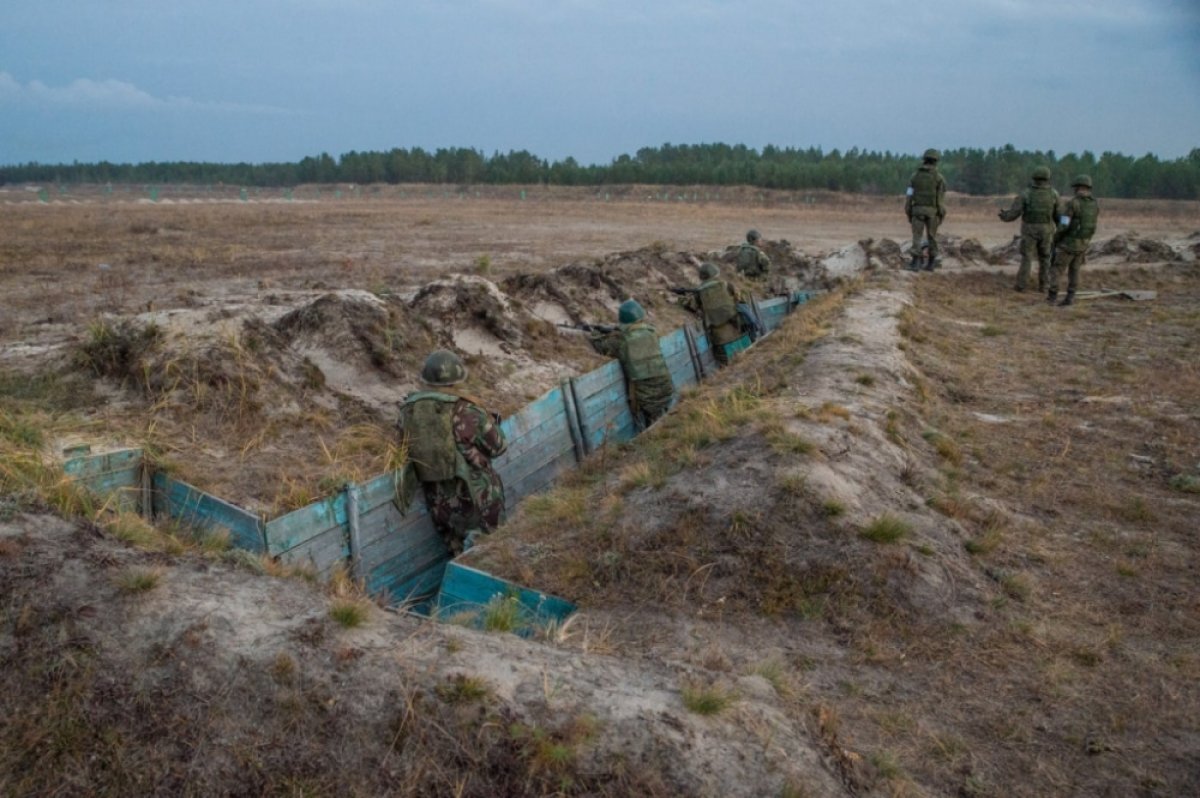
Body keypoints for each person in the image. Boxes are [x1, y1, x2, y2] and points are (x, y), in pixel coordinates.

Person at [396, 349, 507, 555]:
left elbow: (403, 448)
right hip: (478, 499)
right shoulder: (465, 409)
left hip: (439, 504)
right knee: (494, 556)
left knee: (459, 558)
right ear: (457, 379)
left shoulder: (407, 411)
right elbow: (498, 446)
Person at [590, 299, 675, 429]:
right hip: (666, 386)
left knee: (652, 424)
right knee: (663, 419)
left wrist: (596, 332)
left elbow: (601, 346)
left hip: (646, 396)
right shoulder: (652, 332)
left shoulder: (623, 340)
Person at [999, 166, 1059, 292]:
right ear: (1047, 178)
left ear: (1034, 178)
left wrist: (1004, 216)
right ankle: (1044, 286)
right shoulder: (1054, 194)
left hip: (1029, 230)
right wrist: (1066, 225)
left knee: (1027, 258)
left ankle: (1021, 286)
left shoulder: (1025, 194)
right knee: (1045, 258)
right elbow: (1059, 215)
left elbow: (1014, 213)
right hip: (1047, 230)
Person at [681, 262, 750, 366]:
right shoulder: (726, 285)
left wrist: (681, 298)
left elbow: (690, 305)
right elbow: (742, 299)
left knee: (725, 366)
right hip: (738, 328)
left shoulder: (699, 292)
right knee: (747, 359)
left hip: (719, 337)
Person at [1047, 175, 1100, 307]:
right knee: (1074, 271)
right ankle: (1070, 297)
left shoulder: (1073, 203)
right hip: (1083, 243)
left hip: (1068, 244)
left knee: (1056, 270)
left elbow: (1064, 225)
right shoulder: (1094, 204)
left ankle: (1052, 297)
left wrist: (1055, 238)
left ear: (1077, 188)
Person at [904, 149, 947, 271]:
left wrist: (908, 211)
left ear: (924, 159)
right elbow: (940, 200)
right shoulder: (939, 178)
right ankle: (931, 264)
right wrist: (941, 213)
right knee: (932, 237)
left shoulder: (914, 177)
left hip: (917, 211)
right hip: (932, 212)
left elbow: (909, 196)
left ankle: (915, 263)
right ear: (936, 161)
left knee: (916, 237)